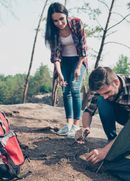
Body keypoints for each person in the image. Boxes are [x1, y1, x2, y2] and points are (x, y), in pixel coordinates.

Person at [76, 66, 130, 164]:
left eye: (107, 92)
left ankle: (113, 146)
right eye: (101, 93)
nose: (105, 96)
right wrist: (85, 128)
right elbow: (88, 111)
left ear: (116, 82)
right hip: (121, 114)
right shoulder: (101, 88)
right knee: (101, 101)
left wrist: (104, 152)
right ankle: (111, 139)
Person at [45, 2, 88, 138]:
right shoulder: (53, 32)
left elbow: (83, 47)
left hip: (79, 60)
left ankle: (76, 125)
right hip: (64, 62)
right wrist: (59, 72)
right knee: (65, 91)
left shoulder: (76, 23)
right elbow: (56, 55)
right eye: (55, 20)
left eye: (61, 19)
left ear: (66, 16)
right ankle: (68, 124)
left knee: (75, 89)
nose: (59, 23)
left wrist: (78, 66)